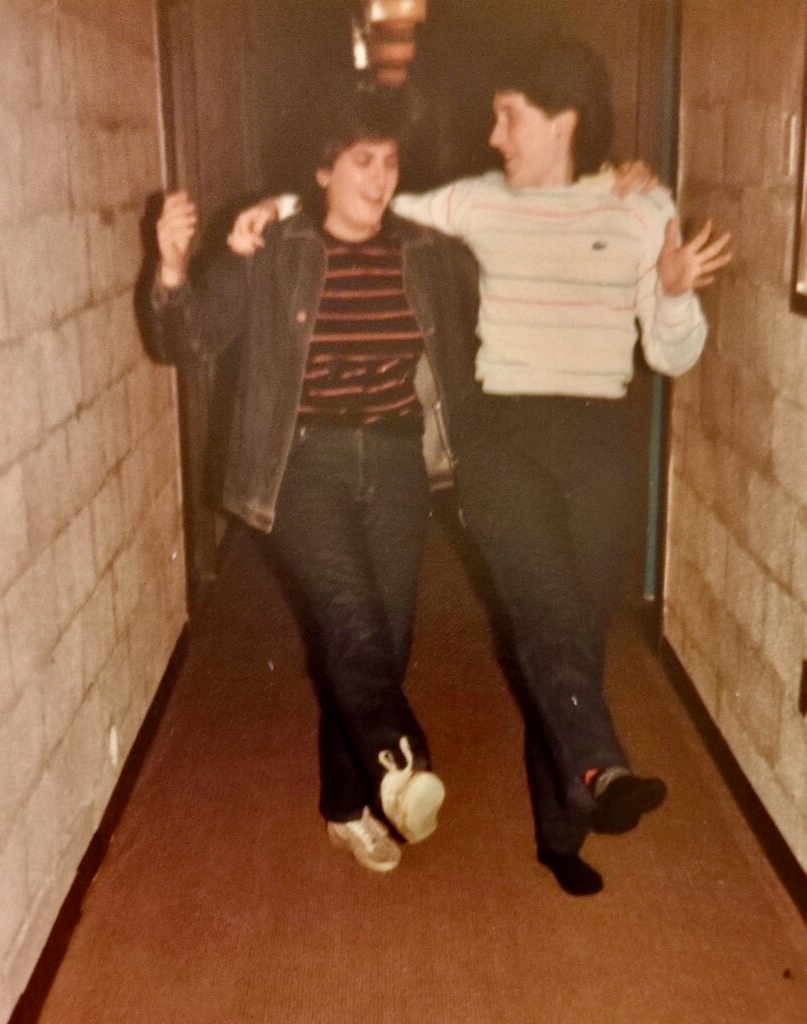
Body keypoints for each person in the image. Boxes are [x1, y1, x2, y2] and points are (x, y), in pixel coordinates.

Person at [226, 31, 731, 896]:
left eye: (509, 118)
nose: (494, 135)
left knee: (569, 632)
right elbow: (356, 199)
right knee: (505, 615)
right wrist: (269, 208)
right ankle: (569, 773)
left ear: (562, 121)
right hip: (497, 439)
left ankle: (566, 823)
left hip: (600, 442)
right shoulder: (472, 203)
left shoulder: (641, 207)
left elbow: (674, 351)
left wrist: (676, 290)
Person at [149, 93, 482, 874]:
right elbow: (185, 336)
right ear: (324, 169)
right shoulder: (276, 251)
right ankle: (403, 766)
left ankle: (347, 805)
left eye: (391, 160)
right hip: (303, 463)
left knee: (381, 639)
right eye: (362, 160)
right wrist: (172, 263)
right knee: (349, 616)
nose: (380, 177)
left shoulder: (426, 255)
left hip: (398, 461)